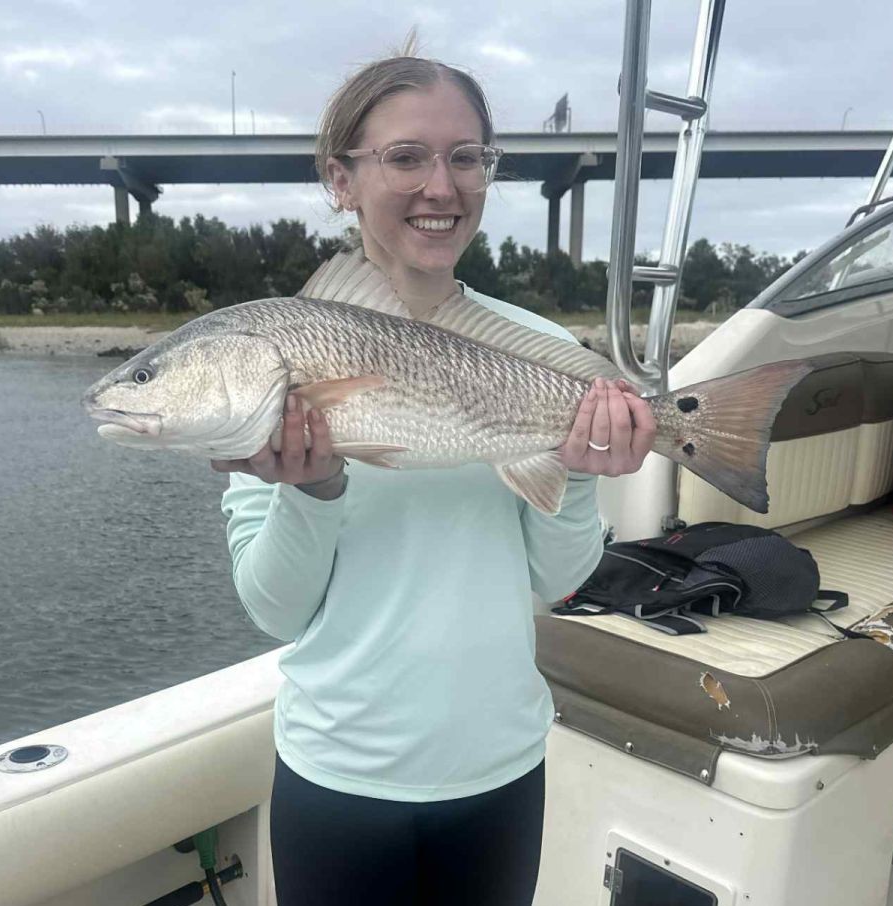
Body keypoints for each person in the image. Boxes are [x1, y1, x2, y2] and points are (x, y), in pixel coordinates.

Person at [213, 41, 656, 906]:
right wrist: (312, 492)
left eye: (466, 158)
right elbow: (275, 611)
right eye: (406, 157)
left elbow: (556, 580)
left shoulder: (542, 353)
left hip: (501, 770)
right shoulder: (271, 356)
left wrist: (582, 474)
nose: (441, 187)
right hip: (337, 779)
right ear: (340, 179)